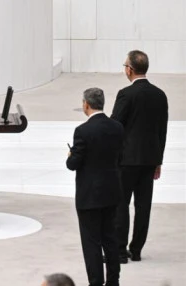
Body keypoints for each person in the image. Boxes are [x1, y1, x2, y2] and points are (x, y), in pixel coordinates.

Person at [111, 50, 169, 262]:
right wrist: (158, 161)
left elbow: (115, 125)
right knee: (143, 206)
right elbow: (162, 130)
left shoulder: (126, 94)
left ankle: (120, 250)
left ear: (130, 69)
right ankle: (136, 250)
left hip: (126, 160)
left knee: (121, 205)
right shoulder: (160, 95)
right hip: (149, 159)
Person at [67, 88, 122, 286]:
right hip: (111, 191)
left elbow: (73, 164)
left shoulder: (82, 131)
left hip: (89, 195)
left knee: (91, 243)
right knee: (110, 239)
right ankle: (113, 280)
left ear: (86, 104)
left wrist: (71, 155)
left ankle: (96, 282)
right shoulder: (117, 127)